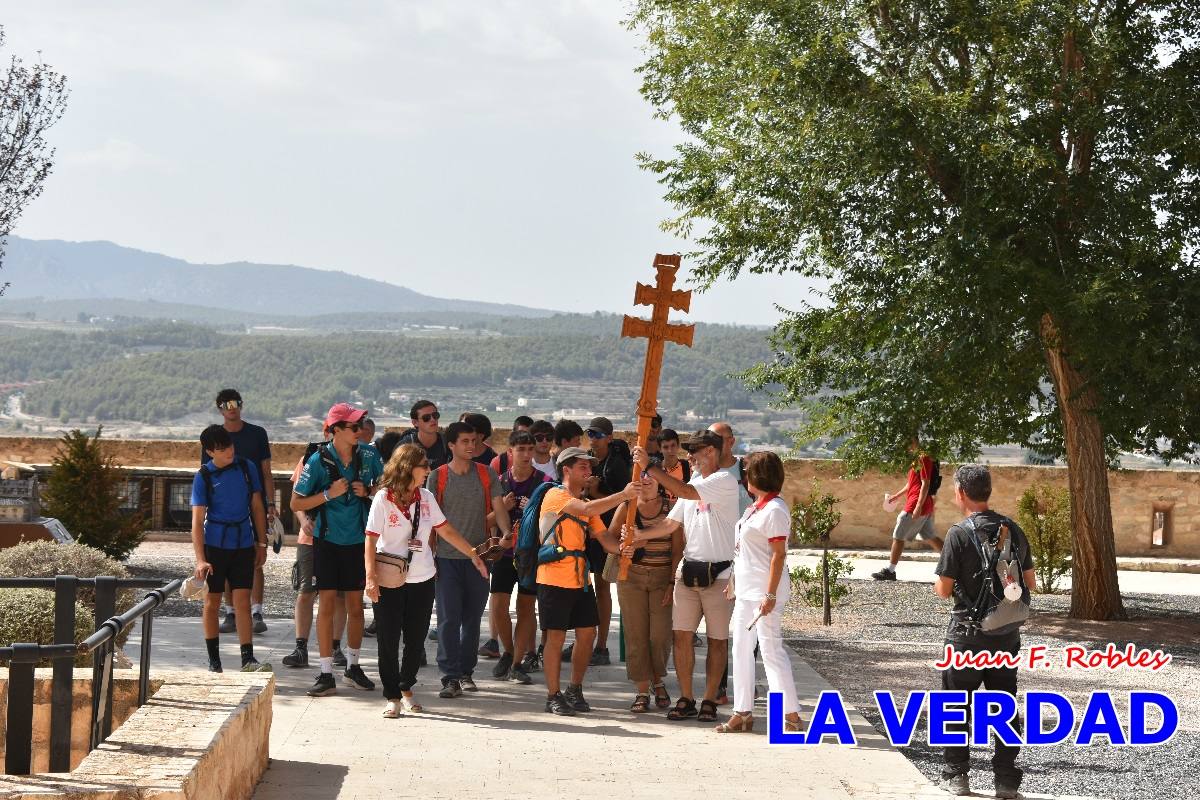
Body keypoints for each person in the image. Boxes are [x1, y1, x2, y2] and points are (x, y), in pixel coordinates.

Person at [365, 444, 489, 718]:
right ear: (407, 468)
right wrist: (370, 576)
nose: (428, 470)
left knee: (416, 638)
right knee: (388, 639)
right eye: (424, 465)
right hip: (389, 579)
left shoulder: (426, 497)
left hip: (422, 578)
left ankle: (406, 685)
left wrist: (472, 555)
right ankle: (392, 696)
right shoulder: (383, 499)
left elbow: (445, 530)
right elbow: (371, 538)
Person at [933, 464, 1035, 799]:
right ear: (987, 491)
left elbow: (944, 589)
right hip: (1005, 635)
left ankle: (957, 777)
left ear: (961, 492)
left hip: (965, 636)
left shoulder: (958, 534)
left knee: (953, 705)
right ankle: (1006, 782)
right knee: (1003, 706)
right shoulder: (1014, 530)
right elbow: (1030, 583)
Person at [631, 430, 740, 723]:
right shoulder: (693, 483)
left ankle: (709, 699)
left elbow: (685, 493)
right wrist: (641, 535)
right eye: (690, 450)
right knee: (681, 638)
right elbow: (670, 523)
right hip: (688, 573)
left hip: (720, 574)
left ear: (713, 453)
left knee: (717, 641)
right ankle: (687, 697)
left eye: (696, 450)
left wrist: (649, 466)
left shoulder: (724, 481)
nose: (690, 456)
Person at [291, 403, 384, 697]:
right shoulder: (317, 461)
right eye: (354, 427)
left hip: (358, 540)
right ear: (337, 430)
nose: (361, 431)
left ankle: (353, 668)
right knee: (327, 605)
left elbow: (386, 486)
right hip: (327, 541)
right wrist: (328, 494)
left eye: (361, 425)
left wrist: (369, 491)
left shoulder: (369, 455)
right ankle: (326, 672)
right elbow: (296, 503)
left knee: (357, 606)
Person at [538, 447, 637, 715]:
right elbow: (587, 507)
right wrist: (624, 495)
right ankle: (552, 695)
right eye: (582, 467)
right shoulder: (556, 495)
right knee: (555, 638)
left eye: (589, 467)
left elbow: (605, 539)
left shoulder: (584, 503)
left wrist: (623, 549)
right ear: (566, 470)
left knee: (587, 634)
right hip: (553, 577)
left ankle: (574, 689)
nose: (589, 471)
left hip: (580, 579)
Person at [716, 451, 801, 733]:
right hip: (747, 590)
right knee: (740, 648)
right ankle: (743, 711)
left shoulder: (775, 509)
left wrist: (770, 595)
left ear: (757, 475)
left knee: (770, 649)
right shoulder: (755, 508)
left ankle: (790, 715)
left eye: (747, 470)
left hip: (766, 591)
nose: (743, 474)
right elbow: (744, 552)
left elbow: (779, 555)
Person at [426, 421, 510, 698]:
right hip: (447, 558)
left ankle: (466, 673)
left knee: (472, 619)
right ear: (451, 445)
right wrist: (429, 557)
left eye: (474, 441)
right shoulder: (437, 477)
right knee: (449, 619)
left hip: (480, 557)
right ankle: (449, 675)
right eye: (465, 441)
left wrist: (507, 532)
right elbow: (431, 522)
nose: (472, 446)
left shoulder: (486, 475)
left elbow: (499, 508)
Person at [190, 425, 271, 673]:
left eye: (230, 446)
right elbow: (196, 521)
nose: (229, 451)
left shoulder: (247, 468)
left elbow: (257, 507)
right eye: (222, 448)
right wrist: (201, 559)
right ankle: (214, 660)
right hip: (215, 545)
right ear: (209, 451)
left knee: (243, 601)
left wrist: (262, 543)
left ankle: (248, 658)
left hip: (244, 543)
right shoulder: (203, 476)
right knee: (212, 602)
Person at [479, 430, 552, 680]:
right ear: (509, 452)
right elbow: (483, 521)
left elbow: (551, 521)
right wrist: (504, 509)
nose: (526, 455)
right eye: (520, 450)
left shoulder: (543, 483)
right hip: (503, 552)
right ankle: (508, 652)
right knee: (498, 606)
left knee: (526, 608)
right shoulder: (499, 482)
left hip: (530, 555)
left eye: (530, 450)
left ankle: (518, 662)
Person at [201, 389, 273, 635]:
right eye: (226, 404)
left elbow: (266, 472)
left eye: (236, 403)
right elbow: (207, 474)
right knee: (230, 562)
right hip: (224, 514)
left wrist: (271, 504)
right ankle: (231, 612)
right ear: (220, 408)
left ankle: (257, 611)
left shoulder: (257, 434)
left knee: (256, 558)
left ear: (242, 405)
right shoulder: (212, 438)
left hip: (255, 505)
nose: (232, 407)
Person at [607, 473, 680, 712]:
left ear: (660, 480)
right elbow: (609, 536)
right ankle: (642, 689)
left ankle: (657, 678)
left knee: (659, 636)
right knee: (636, 635)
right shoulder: (626, 506)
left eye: (651, 474)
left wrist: (671, 583)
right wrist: (621, 548)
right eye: (642, 474)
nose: (646, 479)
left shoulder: (672, 508)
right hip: (631, 578)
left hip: (662, 579)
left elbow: (678, 549)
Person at [281, 427, 347, 670]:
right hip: (310, 538)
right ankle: (301, 647)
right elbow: (296, 499)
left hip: (343, 537)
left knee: (340, 595)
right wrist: (304, 521)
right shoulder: (311, 457)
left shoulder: (356, 459)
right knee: (306, 591)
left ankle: (335, 645)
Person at [570, 416, 630, 667]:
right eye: (590, 434)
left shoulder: (616, 465)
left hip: (606, 533)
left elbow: (622, 499)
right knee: (588, 588)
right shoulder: (593, 462)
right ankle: (588, 641)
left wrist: (594, 493)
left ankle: (601, 645)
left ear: (609, 437)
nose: (593, 439)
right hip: (592, 532)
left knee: (602, 589)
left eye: (597, 435)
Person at [873, 438, 945, 580]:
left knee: (898, 535)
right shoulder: (916, 460)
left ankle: (890, 571)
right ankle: (956, 564)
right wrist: (896, 496)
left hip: (918, 504)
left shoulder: (923, 458)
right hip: (924, 503)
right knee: (930, 536)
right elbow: (911, 483)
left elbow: (925, 483)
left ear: (914, 442)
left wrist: (918, 506)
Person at [398, 400, 450, 470]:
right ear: (415, 422)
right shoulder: (404, 447)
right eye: (426, 418)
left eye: (435, 415)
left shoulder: (449, 444)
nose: (432, 419)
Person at [657, 428, 691, 505]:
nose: (670, 450)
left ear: (678, 445)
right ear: (660, 449)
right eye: (665, 447)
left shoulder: (689, 468)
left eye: (673, 445)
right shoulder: (655, 471)